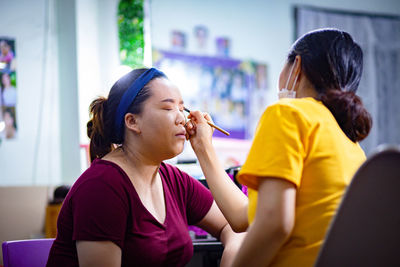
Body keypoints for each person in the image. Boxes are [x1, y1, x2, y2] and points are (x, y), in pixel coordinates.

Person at [184, 28, 372, 267]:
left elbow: (274, 223)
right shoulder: (350, 142)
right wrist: (203, 148)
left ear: (297, 67)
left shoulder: (287, 113)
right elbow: (244, 217)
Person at [46, 68, 244, 267]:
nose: (182, 119)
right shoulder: (101, 186)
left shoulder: (174, 180)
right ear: (132, 121)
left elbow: (235, 225)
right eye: (168, 109)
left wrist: (232, 257)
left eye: (182, 109)